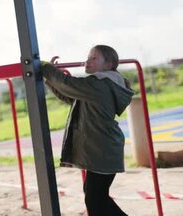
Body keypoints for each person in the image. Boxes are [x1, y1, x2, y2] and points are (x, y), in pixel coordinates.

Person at [40, 45, 133, 216]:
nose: (88, 61)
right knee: (95, 196)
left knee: (95, 200)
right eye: (88, 57)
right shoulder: (100, 84)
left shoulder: (101, 84)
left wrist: (45, 67)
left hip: (103, 149)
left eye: (94, 58)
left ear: (108, 64)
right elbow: (70, 96)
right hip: (102, 148)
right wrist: (49, 79)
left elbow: (67, 83)